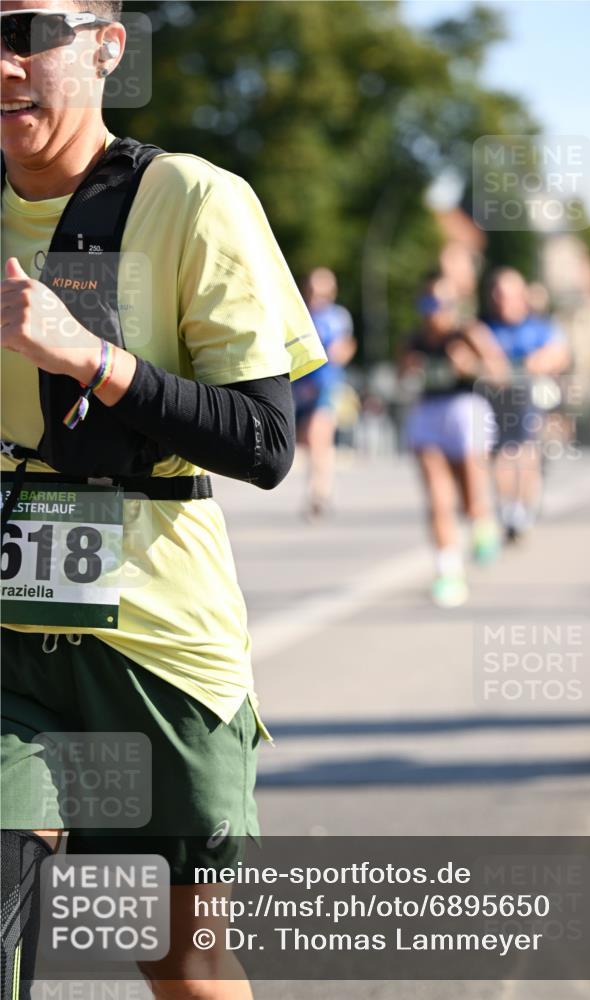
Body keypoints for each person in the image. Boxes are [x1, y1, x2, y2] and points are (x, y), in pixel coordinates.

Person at [0, 3, 325, 998]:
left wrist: (91, 359)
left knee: (185, 965)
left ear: (108, 46)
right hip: (8, 640)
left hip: (153, 645)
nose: (2, 63)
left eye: (25, 31)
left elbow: (266, 443)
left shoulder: (189, 197)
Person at [401, 275, 508, 608]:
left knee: (472, 498)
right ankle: (448, 572)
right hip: (429, 415)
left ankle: (483, 523)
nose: (434, 312)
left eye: (441, 304)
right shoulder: (413, 340)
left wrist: (471, 366)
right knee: (437, 500)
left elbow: (500, 375)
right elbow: (400, 378)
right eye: (427, 304)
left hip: (466, 413)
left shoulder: (468, 333)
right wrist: (408, 372)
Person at [485, 267, 570, 543]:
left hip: (529, 399)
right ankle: (508, 507)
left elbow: (559, 354)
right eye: (498, 295)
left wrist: (540, 362)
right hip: (495, 401)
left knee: (524, 450)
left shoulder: (539, 327)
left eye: (508, 295)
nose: (503, 301)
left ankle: (523, 507)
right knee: (500, 455)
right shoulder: (486, 327)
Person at [292, 266, 356, 518]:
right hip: (301, 386)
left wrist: (340, 354)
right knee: (308, 439)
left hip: (326, 384)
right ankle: (321, 487)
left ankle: (318, 492)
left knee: (319, 433)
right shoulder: (300, 314)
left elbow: (345, 346)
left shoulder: (337, 317)